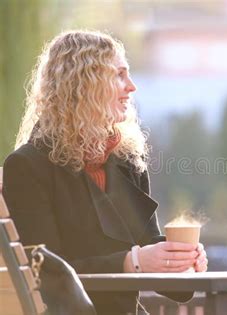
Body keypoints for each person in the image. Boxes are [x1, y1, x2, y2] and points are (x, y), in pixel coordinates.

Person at [2, 30, 208, 315]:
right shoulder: (28, 166)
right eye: (119, 75)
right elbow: (46, 274)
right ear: (83, 85)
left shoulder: (126, 161)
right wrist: (132, 262)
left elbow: (156, 260)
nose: (132, 87)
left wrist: (180, 260)